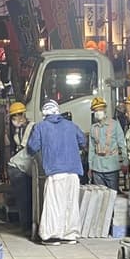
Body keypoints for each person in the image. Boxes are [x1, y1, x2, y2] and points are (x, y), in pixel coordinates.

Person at [26, 100, 87, 243]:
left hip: (55, 172)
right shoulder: (71, 125)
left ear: (44, 114)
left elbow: (32, 147)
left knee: (54, 205)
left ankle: (52, 236)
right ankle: (70, 235)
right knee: (71, 204)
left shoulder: (41, 127)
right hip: (73, 172)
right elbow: (83, 141)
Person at [86, 97, 126, 190]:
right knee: (99, 194)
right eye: (95, 110)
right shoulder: (93, 128)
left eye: (100, 109)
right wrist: (90, 167)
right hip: (97, 168)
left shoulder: (115, 125)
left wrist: (125, 162)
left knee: (112, 194)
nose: (98, 112)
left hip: (112, 167)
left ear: (105, 110)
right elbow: (91, 149)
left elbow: (122, 144)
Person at [6, 101, 33, 231]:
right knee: (24, 199)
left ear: (23, 115)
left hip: (24, 167)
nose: (16, 119)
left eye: (17, 116)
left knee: (26, 198)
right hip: (20, 167)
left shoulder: (31, 128)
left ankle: (27, 225)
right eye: (13, 117)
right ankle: (26, 226)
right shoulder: (17, 131)